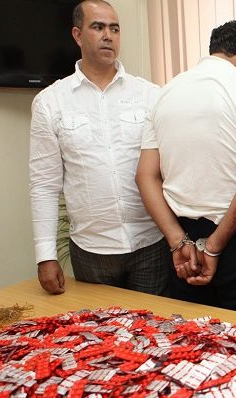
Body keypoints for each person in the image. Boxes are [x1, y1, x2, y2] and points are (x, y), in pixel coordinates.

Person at [136, 20, 236, 317]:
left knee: (191, 336)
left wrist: (178, 242)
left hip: (183, 238)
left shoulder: (165, 92)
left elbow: (145, 176)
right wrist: (213, 247)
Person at [29, 0, 168, 296]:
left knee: (154, 325)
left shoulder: (150, 95)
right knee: (98, 326)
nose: (108, 35)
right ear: (78, 35)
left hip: (150, 245)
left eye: (114, 29)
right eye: (98, 27)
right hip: (91, 251)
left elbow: (169, 167)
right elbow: (44, 185)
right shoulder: (50, 102)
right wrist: (46, 255)